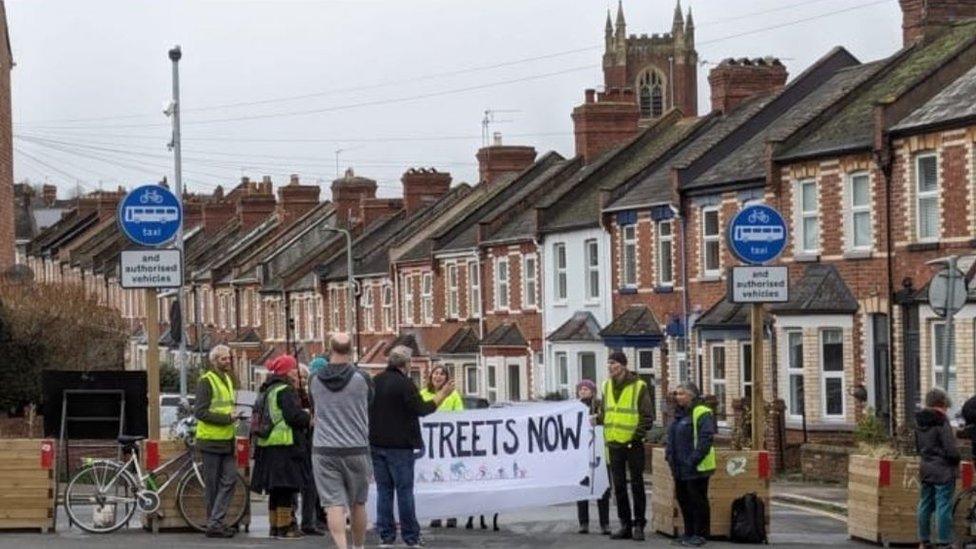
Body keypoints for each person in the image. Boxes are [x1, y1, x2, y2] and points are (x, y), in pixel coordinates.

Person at [370, 346, 454, 548]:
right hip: (400, 446)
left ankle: (386, 536)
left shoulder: (375, 382)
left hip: (376, 443)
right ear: (406, 364)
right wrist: (442, 394)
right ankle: (411, 537)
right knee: (404, 492)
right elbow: (422, 409)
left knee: (384, 491)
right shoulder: (405, 385)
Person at [310, 333, 374, 549]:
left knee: (333, 504)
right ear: (351, 349)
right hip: (356, 448)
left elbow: (314, 406)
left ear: (330, 348)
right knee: (358, 503)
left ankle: (341, 546)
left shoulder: (314, 379)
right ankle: (359, 546)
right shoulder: (362, 378)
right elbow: (370, 401)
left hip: (325, 449)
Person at [251, 355, 311, 539]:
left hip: (268, 446)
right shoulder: (285, 390)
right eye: (294, 369)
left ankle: (275, 526)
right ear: (287, 371)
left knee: (275, 490)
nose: (296, 372)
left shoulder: (268, 389)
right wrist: (308, 417)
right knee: (286, 488)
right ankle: (286, 528)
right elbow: (293, 416)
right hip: (285, 445)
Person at [599, 351, 654, 541]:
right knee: (619, 487)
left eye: (613, 363)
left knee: (637, 484)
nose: (610, 367)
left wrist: (635, 438)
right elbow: (604, 412)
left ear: (622, 365)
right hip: (613, 443)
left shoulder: (639, 387)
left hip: (633, 444)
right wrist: (593, 420)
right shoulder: (605, 386)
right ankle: (625, 524)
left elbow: (647, 417)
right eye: (608, 364)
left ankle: (639, 524)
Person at [194, 344, 243, 539]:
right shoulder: (206, 381)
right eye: (224, 359)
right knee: (212, 486)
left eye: (229, 358)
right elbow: (200, 412)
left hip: (227, 440)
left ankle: (215, 521)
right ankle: (215, 524)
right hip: (210, 440)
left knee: (230, 480)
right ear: (215, 361)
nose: (228, 361)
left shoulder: (228, 380)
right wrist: (227, 419)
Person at [666, 382, 716, 547]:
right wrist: (670, 456)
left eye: (681, 394)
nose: (677, 397)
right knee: (683, 499)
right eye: (676, 394)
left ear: (691, 395)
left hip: (696, 466)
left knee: (698, 501)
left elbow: (706, 438)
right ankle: (688, 532)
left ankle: (700, 534)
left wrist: (693, 459)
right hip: (680, 467)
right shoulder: (679, 414)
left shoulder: (702, 412)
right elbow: (672, 438)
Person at [419, 365, 464, 528]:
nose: (438, 376)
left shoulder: (453, 396)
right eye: (435, 373)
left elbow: (461, 416)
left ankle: (451, 514)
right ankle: (435, 514)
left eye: (442, 374)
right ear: (431, 377)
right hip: (429, 446)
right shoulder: (423, 395)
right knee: (434, 481)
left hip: (448, 444)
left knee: (449, 480)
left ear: (446, 378)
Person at [916, 388, 960, 549]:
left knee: (925, 503)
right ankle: (944, 541)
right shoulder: (941, 421)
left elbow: (917, 446)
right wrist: (957, 459)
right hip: (943, 469)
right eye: (946, 406)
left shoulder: (919, 421)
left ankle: (924, 540)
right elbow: (950, 448)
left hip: (926, 467)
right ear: (941, 403)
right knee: (943, 505)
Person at [576, 379, 611, 536]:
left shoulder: (599, 405)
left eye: (586, 389)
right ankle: (583, 523)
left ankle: (605, 524)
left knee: (602, 489)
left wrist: (595, 419)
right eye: (580, 389)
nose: (583, 391)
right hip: (581, 455)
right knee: (582, 489)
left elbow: (606, 420)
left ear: (592, 391)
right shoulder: (574, 407)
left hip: (599, 453)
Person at [300, 359, 327, 535]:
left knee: (318, 483)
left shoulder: (313, 393)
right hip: (308, 443)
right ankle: (309, 521)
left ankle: (318, 517)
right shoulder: (304, 395)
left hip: (316, 441)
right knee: (311, 483)